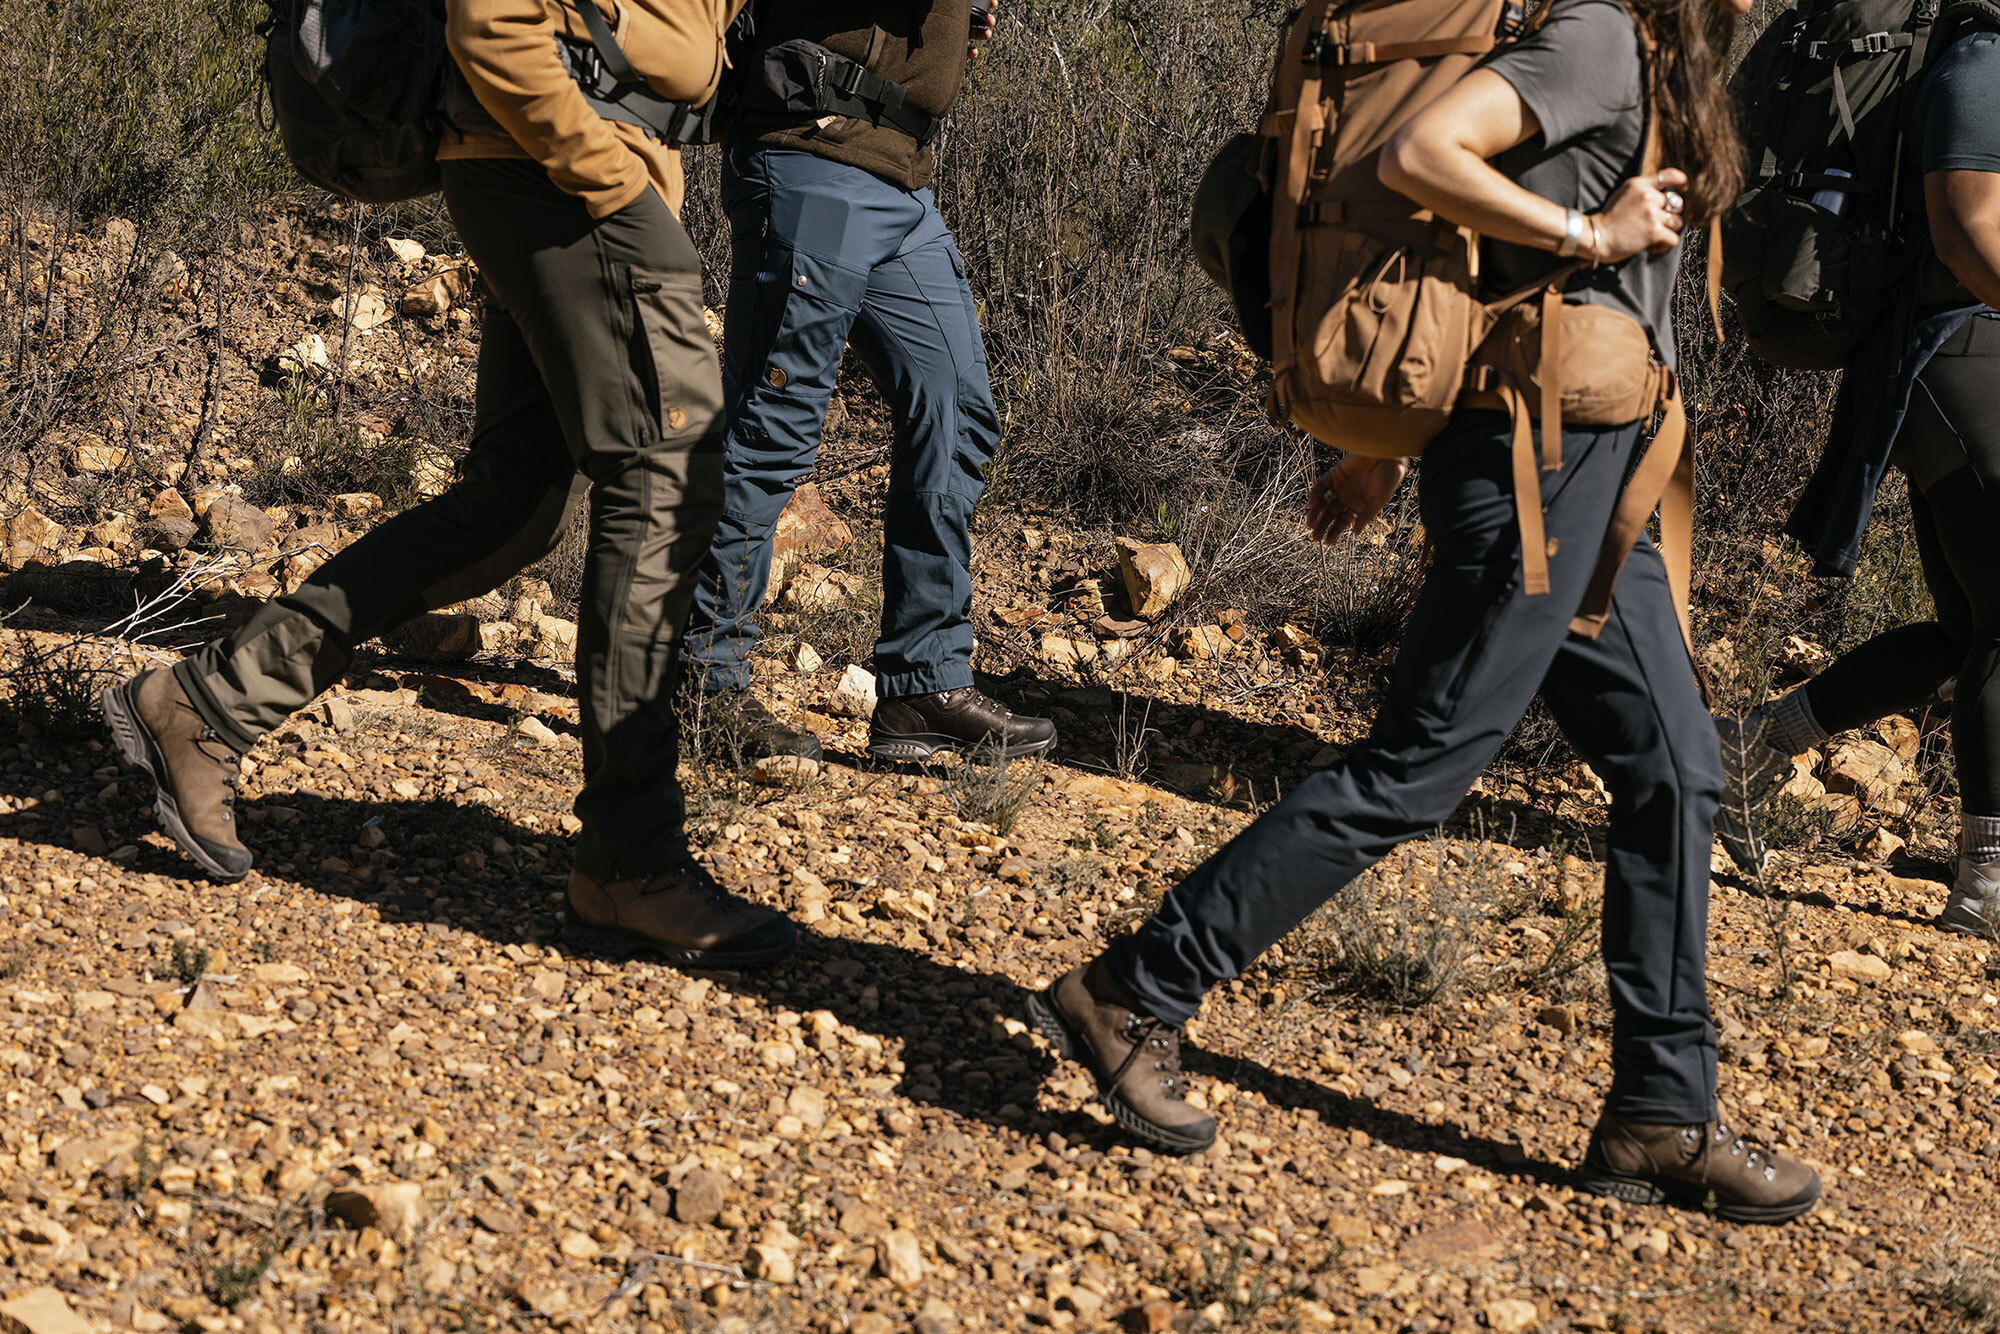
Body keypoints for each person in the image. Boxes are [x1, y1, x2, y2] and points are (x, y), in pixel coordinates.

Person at [1029, 0, 1824, 1222]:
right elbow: (1420, 155)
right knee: (1418, 763)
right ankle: (1134, 988)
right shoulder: (1599, 36)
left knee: (1675, 765)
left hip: (1591, 463)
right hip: (1537, 467)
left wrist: (1388, 446)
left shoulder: (1645, 57)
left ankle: (1661, 1115)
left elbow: (1484, 273)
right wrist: (1591, 230)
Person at [100, 0, 796, 970]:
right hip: (567, 175)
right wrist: (602, 177)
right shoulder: (583, 167)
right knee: (663, 485)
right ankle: (631, 860)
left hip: (546, 174)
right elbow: (491, 19)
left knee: (512, 508)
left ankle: (209, 701)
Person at [676, 0, 1057, 765]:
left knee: (956, 412)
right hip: (813, 156)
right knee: (772, 426)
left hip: (900, 176)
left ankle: (923, 688)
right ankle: (702, 686)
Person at [1718, 12, 2000, 943]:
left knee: (1967, 630)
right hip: (1960, 355)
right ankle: (1988, 887)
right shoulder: (1984, 60)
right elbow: (1965, 228)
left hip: (1962, 361)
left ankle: (1752, 747)